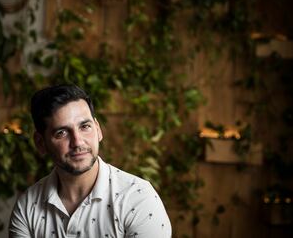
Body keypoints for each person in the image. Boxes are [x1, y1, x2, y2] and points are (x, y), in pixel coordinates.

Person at [9, 84, 172, 237]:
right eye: (62, 133)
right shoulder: (27, 207)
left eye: (84, 126)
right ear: (41, 143)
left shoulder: (137, 199)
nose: (78, 142)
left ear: (98, 130)